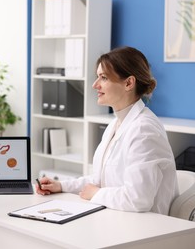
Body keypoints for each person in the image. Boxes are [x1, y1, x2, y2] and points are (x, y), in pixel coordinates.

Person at [36, 46, 179, 215]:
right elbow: (99, 180)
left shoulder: (144, 129)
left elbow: (138, 199)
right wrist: (61, 186)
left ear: (128, 83)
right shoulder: (115, 125)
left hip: (147, 228)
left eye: (103, 78)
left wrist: (96, 194)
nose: (95, 85)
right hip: (117, 216)